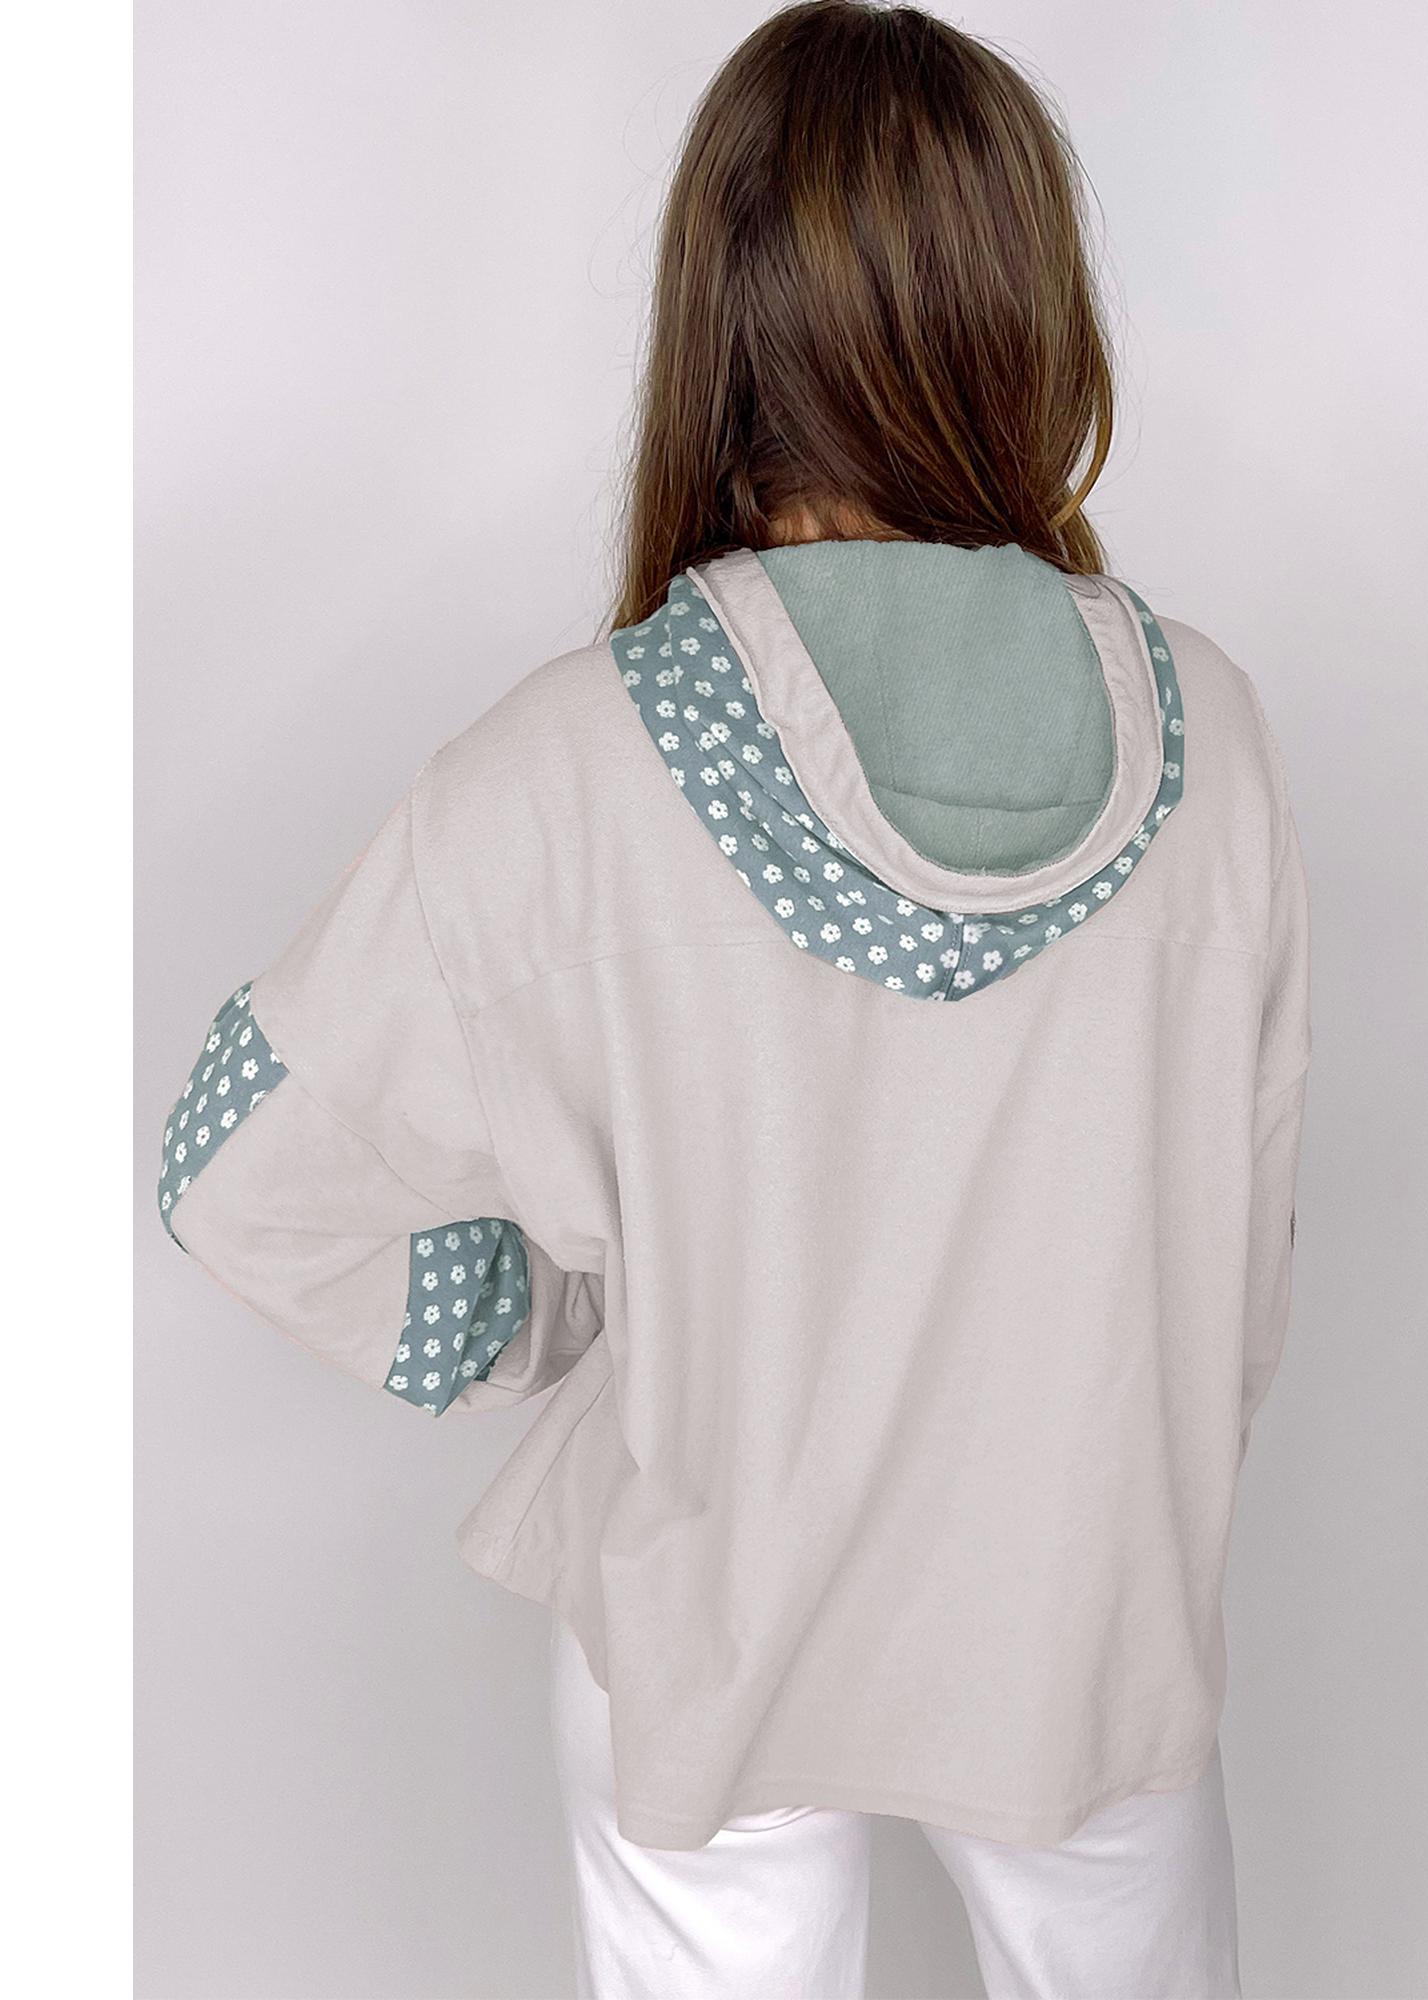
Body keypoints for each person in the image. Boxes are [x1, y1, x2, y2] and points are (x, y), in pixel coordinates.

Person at [157, 4, 1310, 1994]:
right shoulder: (1212, 737)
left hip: (709, 1625)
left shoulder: (563, 767)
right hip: (1086, 1611)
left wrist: (553, 1325)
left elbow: (234, 1165)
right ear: (1032, 308)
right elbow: (1239, 1266)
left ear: (719, 320)